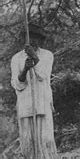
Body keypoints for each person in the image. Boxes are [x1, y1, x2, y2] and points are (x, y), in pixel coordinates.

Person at [11, 23, 58, 159]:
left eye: (37, 38)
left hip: (42, 104)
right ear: (25, 39)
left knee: (45, 140)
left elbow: (43, 75)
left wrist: (35, 59)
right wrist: (25, 69)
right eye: (30, 37)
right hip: (25, 105)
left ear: (41, 40)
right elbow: (16, 84)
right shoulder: (16, 58)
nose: (34, 41)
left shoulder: (47, 55)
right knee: (28, 142)